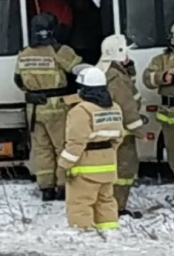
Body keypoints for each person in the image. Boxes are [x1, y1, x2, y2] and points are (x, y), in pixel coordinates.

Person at [14, 13, 87, 201]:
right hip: (57, 107)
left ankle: (46, 188)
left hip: (34, 109)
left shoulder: (23, 53)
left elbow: (19, 81)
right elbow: (80, 69)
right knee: (61, 147)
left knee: (41, 149)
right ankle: (63, 186)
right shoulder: (59, 50)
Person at [58, 67, 123, 231]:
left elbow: (76, 143)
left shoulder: (81, 111)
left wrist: (63, 165)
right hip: (108, 164)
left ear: (84, 89)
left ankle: (84, 234)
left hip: (85, 166)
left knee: (80, 203)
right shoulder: (115, 107)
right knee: (106, 201)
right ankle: (109, 232)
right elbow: (119, 137)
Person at [96, 34, 144, 219]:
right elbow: (127, 104)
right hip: (122, 133)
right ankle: (117, 207)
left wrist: (129, 71)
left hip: (110, 130)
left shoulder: (105, 69)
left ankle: (111, 206)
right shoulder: (115, 77)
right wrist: (138, 129)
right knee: (125, 169)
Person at [142, 22, 174, 176]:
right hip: (168, 116)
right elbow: (147, 79)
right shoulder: (161, 59)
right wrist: (164, 76)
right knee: (172, 154)